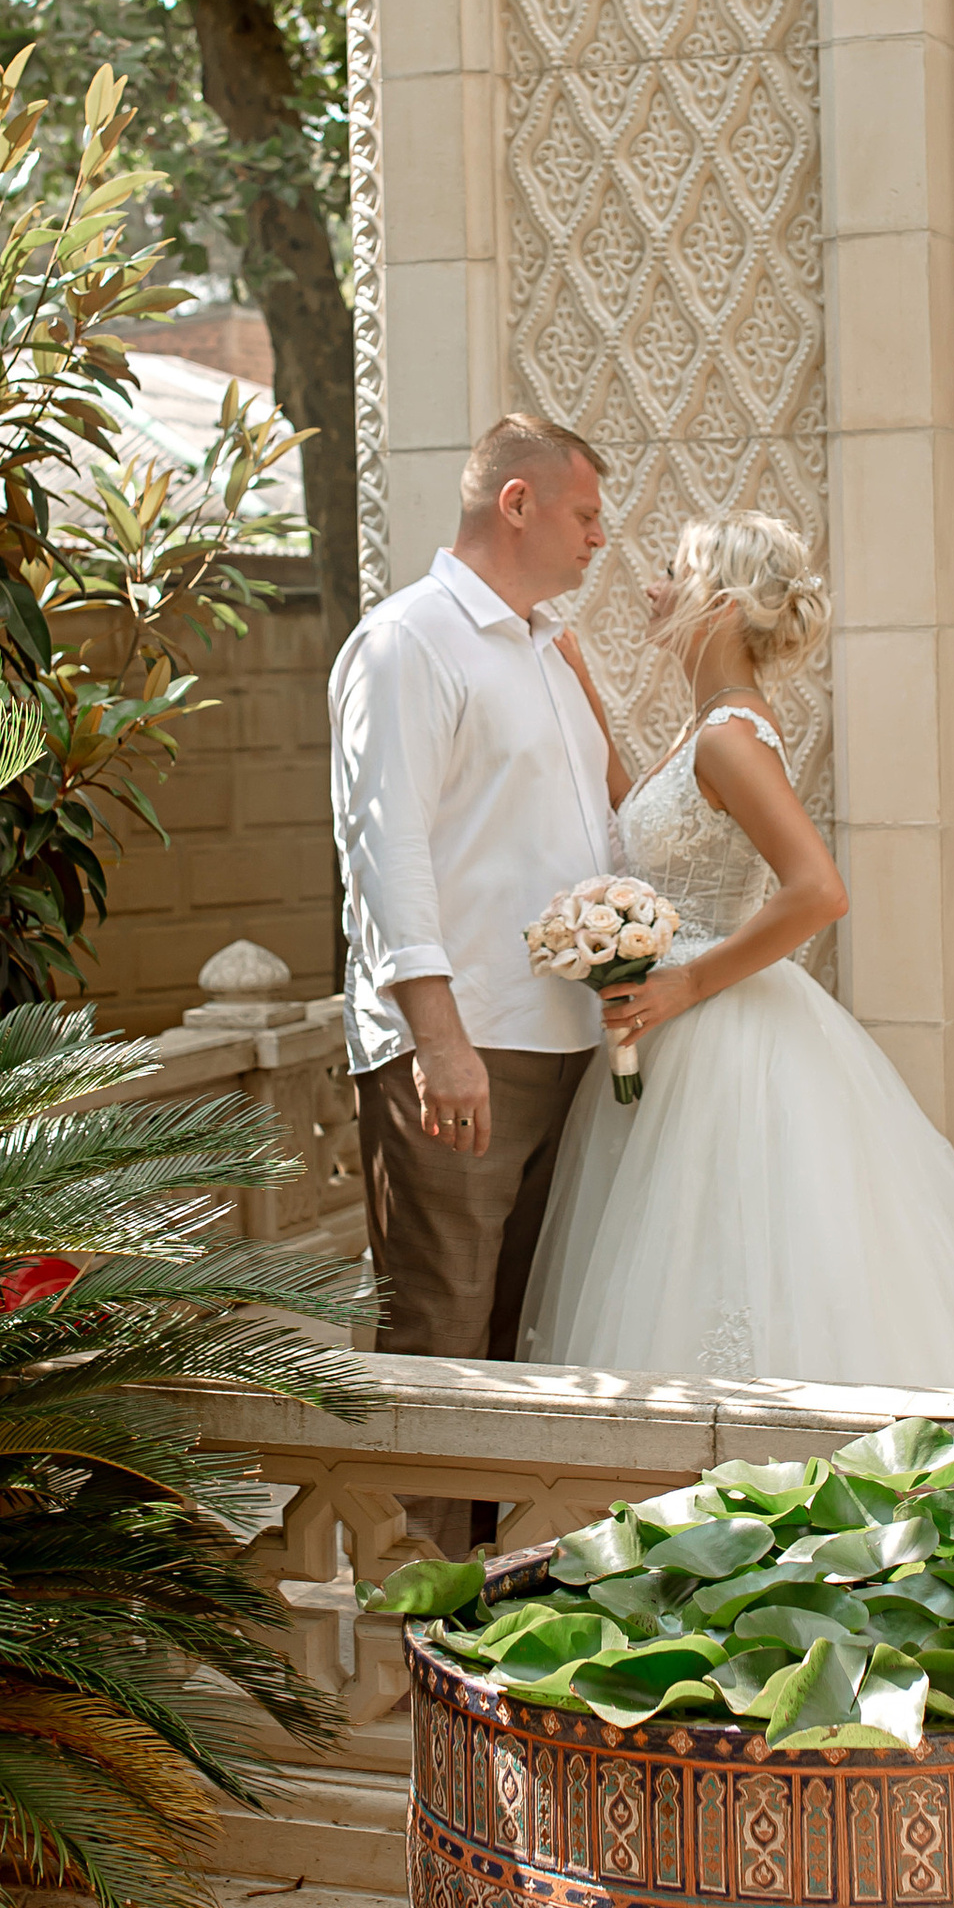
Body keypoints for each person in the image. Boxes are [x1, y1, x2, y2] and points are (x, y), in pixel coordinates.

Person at [520, 508, 954, 1394]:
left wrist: (683, 985)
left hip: (720, 1028)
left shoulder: (731, 736)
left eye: (672, 571)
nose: (650, 587)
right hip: (680, 1030)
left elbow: (819, 890)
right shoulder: (707, 727)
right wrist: (581, 691)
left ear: (715, 603)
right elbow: (643, 835)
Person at [330, 414, 617, 1362]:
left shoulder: (546, 649)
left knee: (527, 1343)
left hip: (564, 1043)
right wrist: (439, 1043)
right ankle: (417, 1523)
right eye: (584, 513)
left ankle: (509, 1525)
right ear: (516, 502)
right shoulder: (408, 641)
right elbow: (387, 850)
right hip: (466, 1049)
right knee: (440, 1335)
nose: (599, 537)